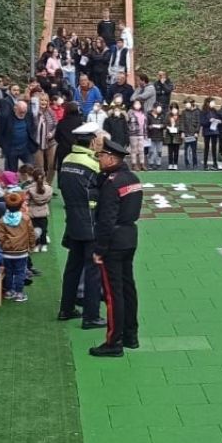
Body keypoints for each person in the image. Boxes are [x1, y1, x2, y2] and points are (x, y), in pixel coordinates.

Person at [88, 139, 142, 357]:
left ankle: (113, 341)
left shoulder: (112, 183)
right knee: (128, 288)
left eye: (101, 156)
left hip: (113, 242)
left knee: (113, 293)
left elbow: (106, 220)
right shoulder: (132, 178)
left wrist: (99, 249)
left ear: (111, 158)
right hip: (130, 237)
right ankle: (131, 335)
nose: (99, 159)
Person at [58, 122, 105, 329]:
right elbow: (102, 190)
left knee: (72, 268)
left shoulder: (67, 159)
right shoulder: (93, 164)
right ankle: (91, 316)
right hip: (91, 223)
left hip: (73, 222)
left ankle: (66, 309)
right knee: (93, 271)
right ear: (93, 141)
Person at [0, 192, 35, 303]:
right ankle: (19, 293)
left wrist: (2, 248)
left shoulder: (1, 221)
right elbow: (31, 234)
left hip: (6, 252)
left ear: (6, 206)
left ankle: (9, 291)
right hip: (22, 251)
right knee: (20, 272)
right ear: (20, 205)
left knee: (9, 271)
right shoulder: (25, 218)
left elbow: (0, 237)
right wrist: (32, 246)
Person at [0, 100, 40, 172]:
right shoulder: (5, 117)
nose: (22, 114)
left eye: (24, 112)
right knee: (11, 173)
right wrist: (4, 147)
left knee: (31, 169)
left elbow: (33, 127)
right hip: (11, 149)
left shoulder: (29, 114)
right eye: (20, 112)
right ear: (15, 109)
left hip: (26, 148)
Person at [26, 167, 54, 253]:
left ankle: (36, 245)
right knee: (44, 229)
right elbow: (49, 199)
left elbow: (26, 201)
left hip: (32, 213)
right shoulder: (49, 189)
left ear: (33, 177)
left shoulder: (29, 189)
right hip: (43, 212)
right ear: (44, 177)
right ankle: (44, 245)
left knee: (34, 230)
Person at [54, 101, 84, 171]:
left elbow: (56, 137)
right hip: (76, 151)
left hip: (63, 151)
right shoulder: (80, 122)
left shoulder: (61, 122)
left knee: (62, 170)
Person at [34, 94, 59, 181]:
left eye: (45, 100)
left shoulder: (51, 112)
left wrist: (52, 133)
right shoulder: (34, 112)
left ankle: (48, 184)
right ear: (38, 101)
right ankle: (40, 185)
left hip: (51, 142)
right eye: (42, 100)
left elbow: (56, 125)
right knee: (39, 167)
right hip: (37, 142)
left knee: (52, 165)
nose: (43, 102)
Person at [180, 98, 201, 170]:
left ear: (191, 103)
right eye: (185, 103)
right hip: (186, 133)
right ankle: (187, 163)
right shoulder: (184, 112)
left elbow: (198, 123)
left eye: (187, 103)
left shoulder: (197, 112)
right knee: (186, 150)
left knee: (194, 150)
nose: (186, 105)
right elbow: (182, 122)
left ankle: (195, 164)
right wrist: (182, 132)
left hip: (194, 134)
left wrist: (196, 132)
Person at [127, 100, 148, 171]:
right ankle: (134, 164)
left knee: (141, 150)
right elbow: (127, 122)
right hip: (133, 134)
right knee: (134, 150)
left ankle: (142, 164)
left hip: (141, 134)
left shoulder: (143, 113)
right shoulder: (130, 112)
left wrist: (145, 134)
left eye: (139, 103)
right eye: (136, 103)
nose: (137, 105)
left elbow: (145, 124)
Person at [146, 103, 167, 170]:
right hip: (151, 135)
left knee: (159, 151)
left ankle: (158, 163)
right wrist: (149, 127)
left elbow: (165, 124)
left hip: (159, 136)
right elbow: (146, 125)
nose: (159, 110)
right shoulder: (148, 115)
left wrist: (162, 126)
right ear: (154, 108)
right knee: (151, 151)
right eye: (158, 108)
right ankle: (151, 163)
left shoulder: (162, 115)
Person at [203, 98, 222, 170]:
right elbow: (202, 122)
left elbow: (219, 119)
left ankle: (215, 164)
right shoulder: (204, 111)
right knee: (206, 148)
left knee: (214, 148)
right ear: (208, 103)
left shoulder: (215, 111)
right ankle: (205, 164)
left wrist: (219, 121)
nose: (214, 104)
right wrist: (209, 121)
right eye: (212, 102)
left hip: (214, 131)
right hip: (207, 131)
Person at [165, 104, 184, 170]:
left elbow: (182, 125)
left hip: (177, 136)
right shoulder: (168, 116)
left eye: (175, 109)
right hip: (169, 136)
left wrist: (178, 129)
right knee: (170, 151)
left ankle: (175, 164)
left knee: (176, 151)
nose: (174, 110)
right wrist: (168, 127)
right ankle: (170, 164)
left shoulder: (180, 116)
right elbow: (165, 124)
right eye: (172, 109)